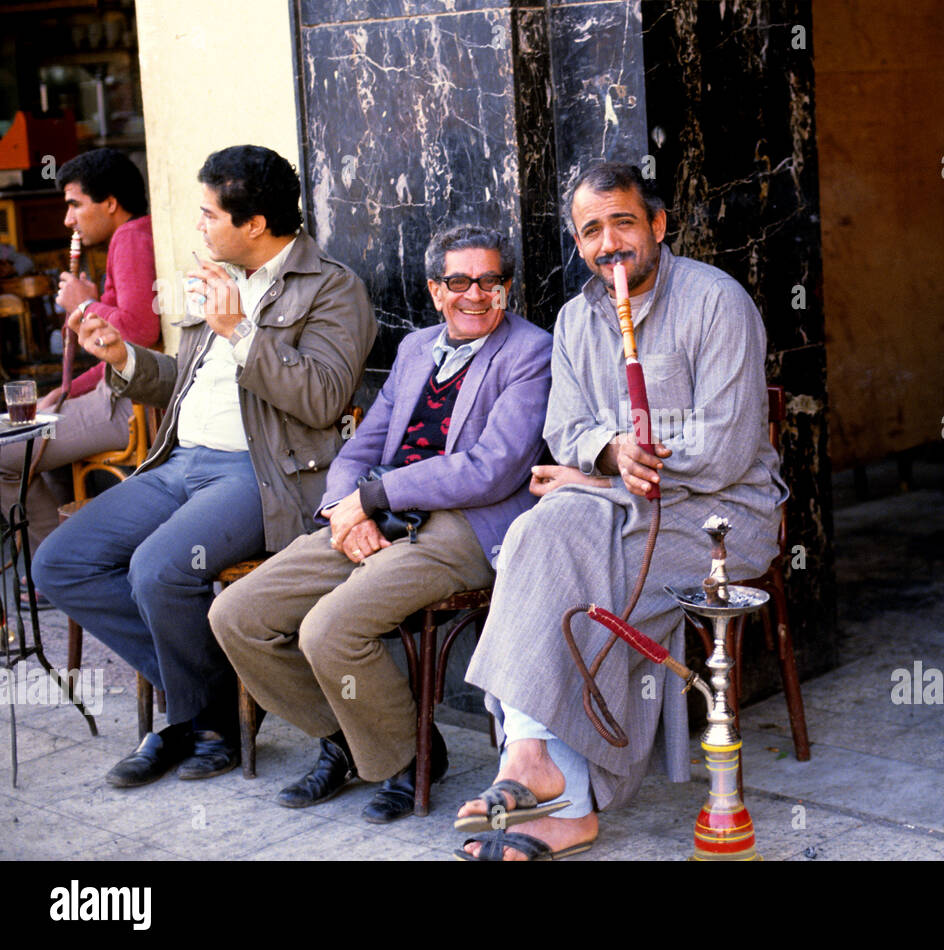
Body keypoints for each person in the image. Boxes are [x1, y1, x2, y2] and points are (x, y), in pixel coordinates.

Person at [455, 161, 785, 860]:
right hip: (618, 510)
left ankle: (554, 788)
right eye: (592, 231)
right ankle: (541, 773)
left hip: (721, 519)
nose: (610, 243)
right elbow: (567, 429)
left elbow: (724, 451)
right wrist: (607, 455)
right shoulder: (576, 319)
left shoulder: (716, 302)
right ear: (578, 245)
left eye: (624, 223)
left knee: (559, 568)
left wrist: (595, 481)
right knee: (535, 539)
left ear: (658, 226)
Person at [32, 145, 376, 789]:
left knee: (158, 570)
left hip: (261, 473)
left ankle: (200, 721)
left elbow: (325, 397)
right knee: (59, 563)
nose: (199, 227)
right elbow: (179, 383)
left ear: (253, 223)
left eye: (209, 214)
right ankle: (215, 700)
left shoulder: (332, 287)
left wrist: (244, 332)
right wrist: (123, 357)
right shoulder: (219, 276)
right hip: (178, 463)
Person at [208, 225, 552, 823]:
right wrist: (346, 508)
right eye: (458, 281)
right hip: (377, 511)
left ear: (507, 288)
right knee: (237, 614)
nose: (474, 293)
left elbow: (493, 469)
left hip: (464, 527)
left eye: (490, 280)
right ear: (434, 290)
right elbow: (360, 447)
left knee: (328, 631)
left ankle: (405, 758)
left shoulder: (531, 351)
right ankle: (346, 735)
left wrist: (375, 495)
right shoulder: (417, 348)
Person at [0, 148, 159, 557]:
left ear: (110, 203)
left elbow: (140, 330)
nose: (68, 219)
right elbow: (115, 346)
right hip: (117, 394)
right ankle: (66, 564)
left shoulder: (131, 237)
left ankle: (54, 570)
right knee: (37, 452)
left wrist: (84, 304)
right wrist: (67, 390)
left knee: (3, 454)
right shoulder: (130, 237)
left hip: (128, 405)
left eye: (74, 204)